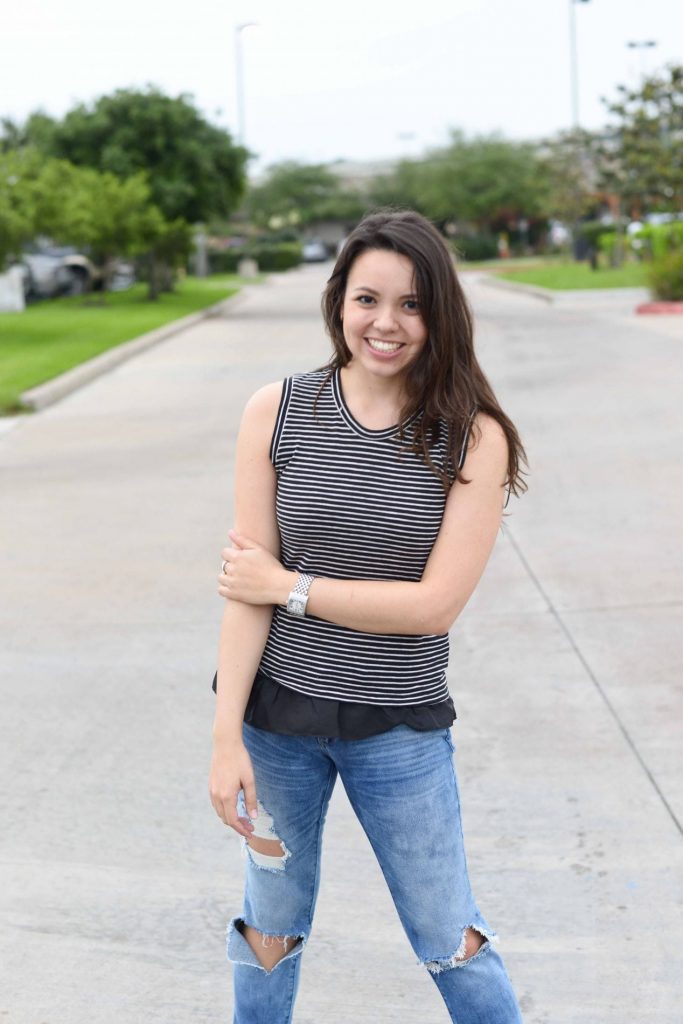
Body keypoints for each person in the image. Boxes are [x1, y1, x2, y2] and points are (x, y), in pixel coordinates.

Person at [209, 209, 527, 1023]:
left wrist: (290, 586)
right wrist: (223, 742)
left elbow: (431, 608)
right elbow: (246, 586)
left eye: (412, 304)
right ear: (337, 301)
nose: (385, 323)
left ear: (440, 314)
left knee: (446, 939)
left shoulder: (471, 437)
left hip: (398, 732)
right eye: (366, 299)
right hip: (276, 727)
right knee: (269, 930)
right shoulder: (275, 411)